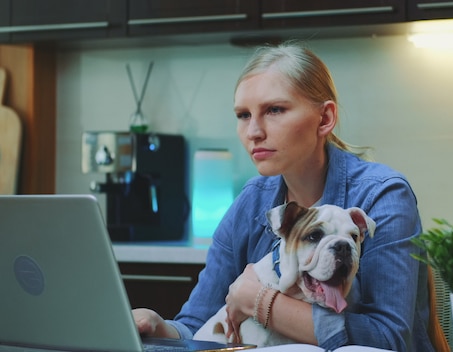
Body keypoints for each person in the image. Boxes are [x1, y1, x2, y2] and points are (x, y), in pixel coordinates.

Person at [133, 41, 434, 352]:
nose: (253, 131)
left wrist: (261, 301)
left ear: (325, 118)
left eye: (274, 110)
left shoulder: (383, 194)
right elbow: (199, 326)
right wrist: (161, 328)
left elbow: (388, 339)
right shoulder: (251, 201)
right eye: (243, 115)